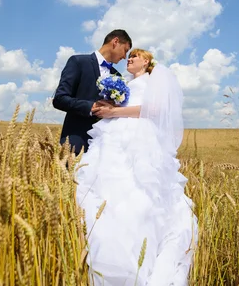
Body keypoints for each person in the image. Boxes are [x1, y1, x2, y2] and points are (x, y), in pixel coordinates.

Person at [76, 48, 198, 286]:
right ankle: (107, 246)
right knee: (107, 187)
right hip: (114, 133)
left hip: (138, 137)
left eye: (135, 56)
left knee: (138, 191)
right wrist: (107, 106)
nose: (129, 59)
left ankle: (141, 249)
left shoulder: (153, 81)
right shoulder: (124, 83)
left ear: (146, 61)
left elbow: (153, 110)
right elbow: (119, 107)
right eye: (128, 56)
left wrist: (115, 111)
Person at [52, 29, 132, 155]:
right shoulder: (78, 62)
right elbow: (59, 99)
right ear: (115, 41)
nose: (124, 57)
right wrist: (90, 107)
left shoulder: (118, 75)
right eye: (125, 50)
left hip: (106, 146)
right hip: (76, 141)